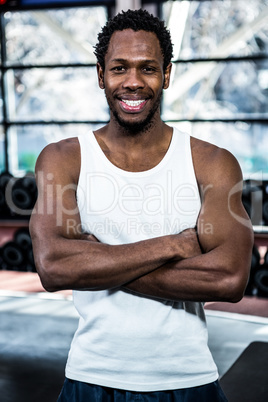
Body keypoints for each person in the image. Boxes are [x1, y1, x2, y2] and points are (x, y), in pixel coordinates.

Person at [29, 8, 253, 402]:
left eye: (147, 68)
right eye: (119, 69)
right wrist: (172, 246)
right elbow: (53, 267)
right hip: (90, 377)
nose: (133, 83)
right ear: (101, 75)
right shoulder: (64, 159)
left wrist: (96, 261)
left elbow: (229, 279)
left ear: (166, 74)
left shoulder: (212, 163)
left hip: (188, 380)